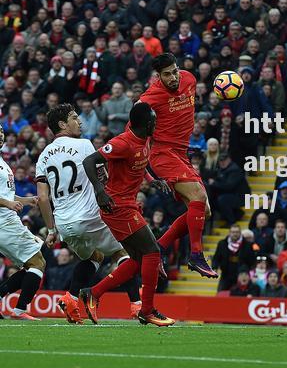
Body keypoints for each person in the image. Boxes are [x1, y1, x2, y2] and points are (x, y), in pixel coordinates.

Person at [35, 104, 143, 324]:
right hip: (89, 215)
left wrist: (51, 229)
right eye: (75, 118)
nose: (80, 121)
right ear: (63, 124)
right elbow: (102, 173)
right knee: (125, 253)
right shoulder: (84, 145)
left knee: (94, 257)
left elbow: (43, 198)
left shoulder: (43, 156)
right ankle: (136, 305)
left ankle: (71, 298)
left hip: (65, 223)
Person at [78, 102, 175, 327]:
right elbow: (89, 161)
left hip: (128, 204)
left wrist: (152, 181)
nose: (156, 124)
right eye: (154, 121)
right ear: (145, 124)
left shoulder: (144, 138)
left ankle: (93, 292)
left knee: (139, 259)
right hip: (116, 206)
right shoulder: (122, 143)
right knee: (152, 252)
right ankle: (147, 310)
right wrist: (99, 191)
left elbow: (141, 163)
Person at [138, 53, 216, 278]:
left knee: (205, 210)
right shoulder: (149, 98)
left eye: (174, 71)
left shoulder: (189, 79)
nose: (173, 78)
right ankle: (196, 255)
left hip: (181, 153)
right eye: (167, 75)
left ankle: (158, 248)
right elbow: (133, 135)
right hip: (162, 154)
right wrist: (149, 177)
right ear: (157, 77)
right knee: (199, 197)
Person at [0, 125, 46, 320]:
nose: (1, 135)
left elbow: (6, 193)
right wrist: (8, 203)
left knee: (31, 265)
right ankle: (19, 310)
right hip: (4, 222)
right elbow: (5, 199)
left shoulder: (3, 162)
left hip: (7, 220)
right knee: (38, 262)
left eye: (2, 132)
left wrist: (26, 200)